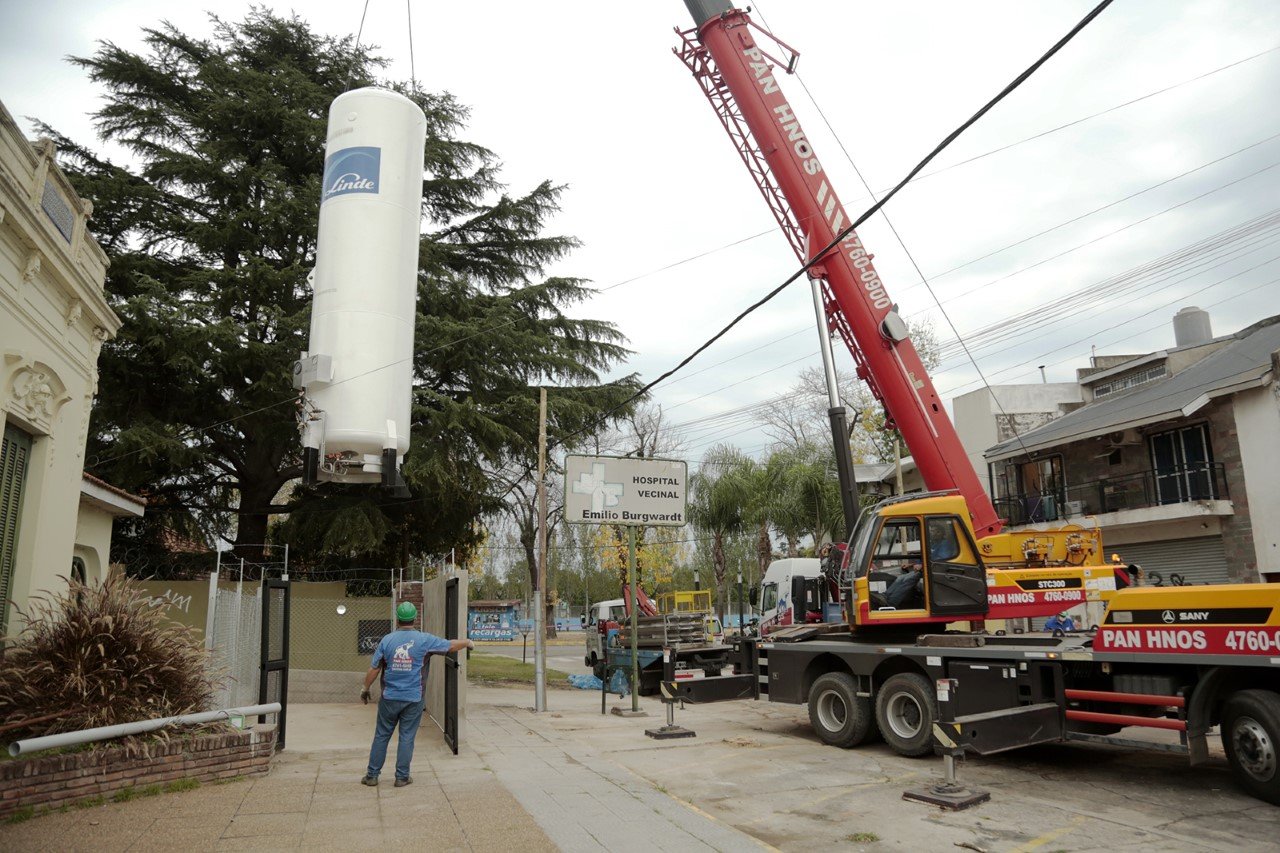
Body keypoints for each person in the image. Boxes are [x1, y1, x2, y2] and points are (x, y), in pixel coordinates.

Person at [360, 601, 473, 787]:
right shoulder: (424, 640)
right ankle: (402, 777)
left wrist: (365, 689)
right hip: (413, 698)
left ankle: (372, 776)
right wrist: (467, 642)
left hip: (389, 698)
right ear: (414, 618)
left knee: (381, 735)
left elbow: (374, 668)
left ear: (398, 618)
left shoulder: (387, 640)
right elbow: (450, 646)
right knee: (407, 737)